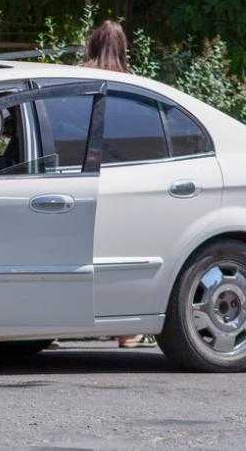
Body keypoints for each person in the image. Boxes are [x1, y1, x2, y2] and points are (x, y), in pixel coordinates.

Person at [80, 20, 154, 348]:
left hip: (80, 174)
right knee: (121, 256)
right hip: (124, 179)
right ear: (124, 48)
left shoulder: (79, 77)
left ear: (92, 44)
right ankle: (127, 330)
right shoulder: (133, 85)